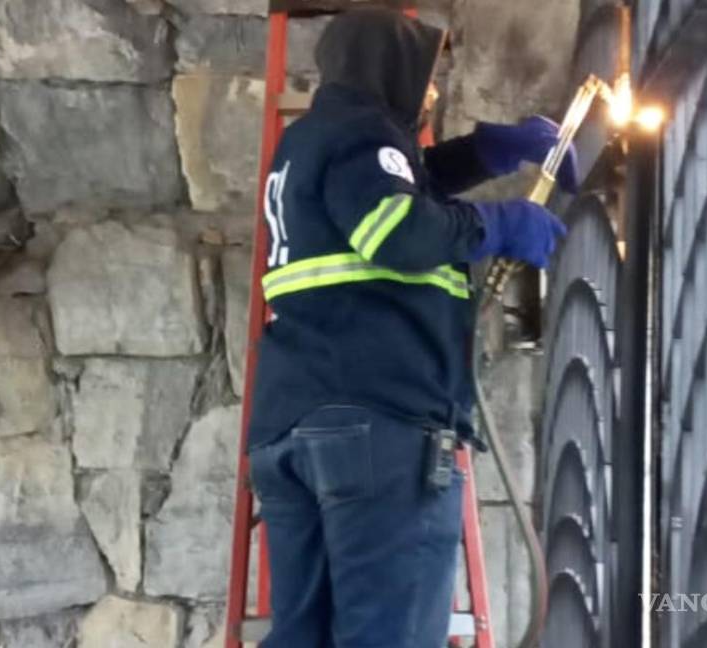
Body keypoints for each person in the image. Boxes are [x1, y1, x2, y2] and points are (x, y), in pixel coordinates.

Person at [246, 8, 576, 648]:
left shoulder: (312, 141)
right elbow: (393, 228)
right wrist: (496, 225)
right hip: (378, 426)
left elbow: (399, 186)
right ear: (388, 69)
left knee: (301, 637)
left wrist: (487, 150)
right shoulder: (364, 135)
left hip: (294, 429)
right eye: (425, 77)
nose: (431, 93)